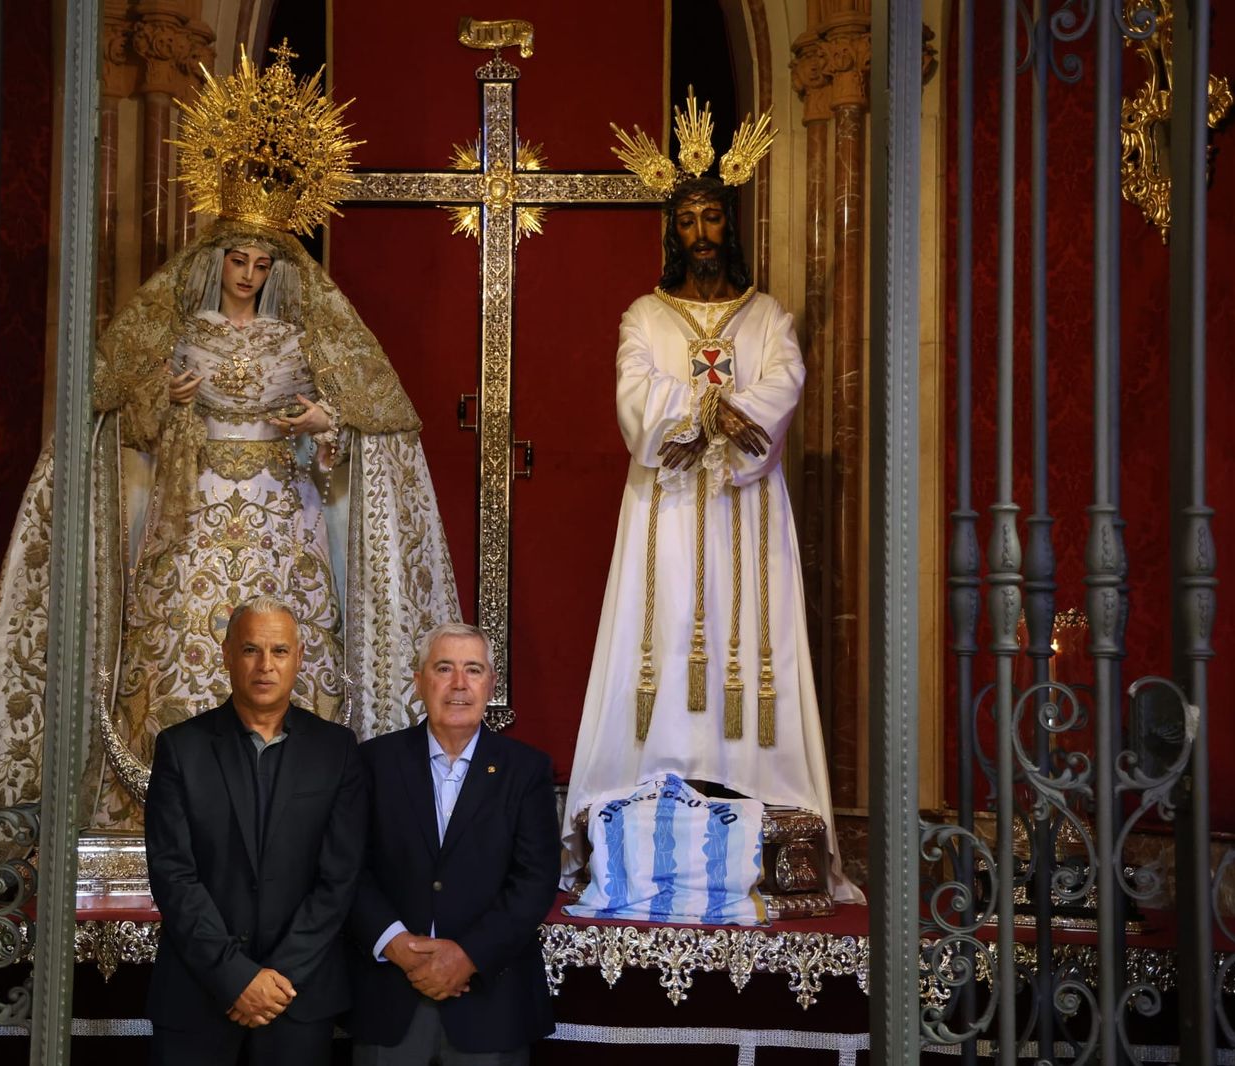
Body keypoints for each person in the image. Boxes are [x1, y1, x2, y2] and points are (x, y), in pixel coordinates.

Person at [0, 46, 460, 879]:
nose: (251, 275)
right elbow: (116, 422)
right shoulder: (173, 331)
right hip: (189, 518)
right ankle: (148, 809)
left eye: (265, 265)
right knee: (180, 649)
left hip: (282, 517)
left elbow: (360, 429)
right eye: (239, 260)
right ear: (213, 258)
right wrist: (166, 398)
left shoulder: (302, 339)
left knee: (290, 645)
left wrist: (323, 420)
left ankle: (289, 815)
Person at [563, 98, 858, 901]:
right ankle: (644, 795)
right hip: (664, 506)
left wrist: (722, 416)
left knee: (749, 635)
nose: (700, 233)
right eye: (687, 220)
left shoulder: (767, 315)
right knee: (656, 633)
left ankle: (760, 800)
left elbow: (782, 381)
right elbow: (636, 391)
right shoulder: (643, 314)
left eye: (712, 219)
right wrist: (700, 413)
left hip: (744, 509)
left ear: (730, 227)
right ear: (673, 231)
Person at [145, 596, 365, 1065]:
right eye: (250, 650)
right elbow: (173, 876)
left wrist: (275, 981)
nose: (265, 665)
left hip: (298, 998)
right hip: (198, 995)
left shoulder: (337, 751)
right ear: (226, 655)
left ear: (299, 658)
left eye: (280, 651)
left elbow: (339, 879)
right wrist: (235, 978)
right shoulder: (181, 748)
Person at [347, 623, 560, 1065]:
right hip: (390, 997)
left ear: (491, 683)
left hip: (489, 1002)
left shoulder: (527, 770)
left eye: (473, 670)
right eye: (445, 668)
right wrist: (394, 943)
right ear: (420, 680)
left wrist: (468, 956)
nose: (459, 684)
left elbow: (535, 880)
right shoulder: (372, 762)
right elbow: (348, 868)